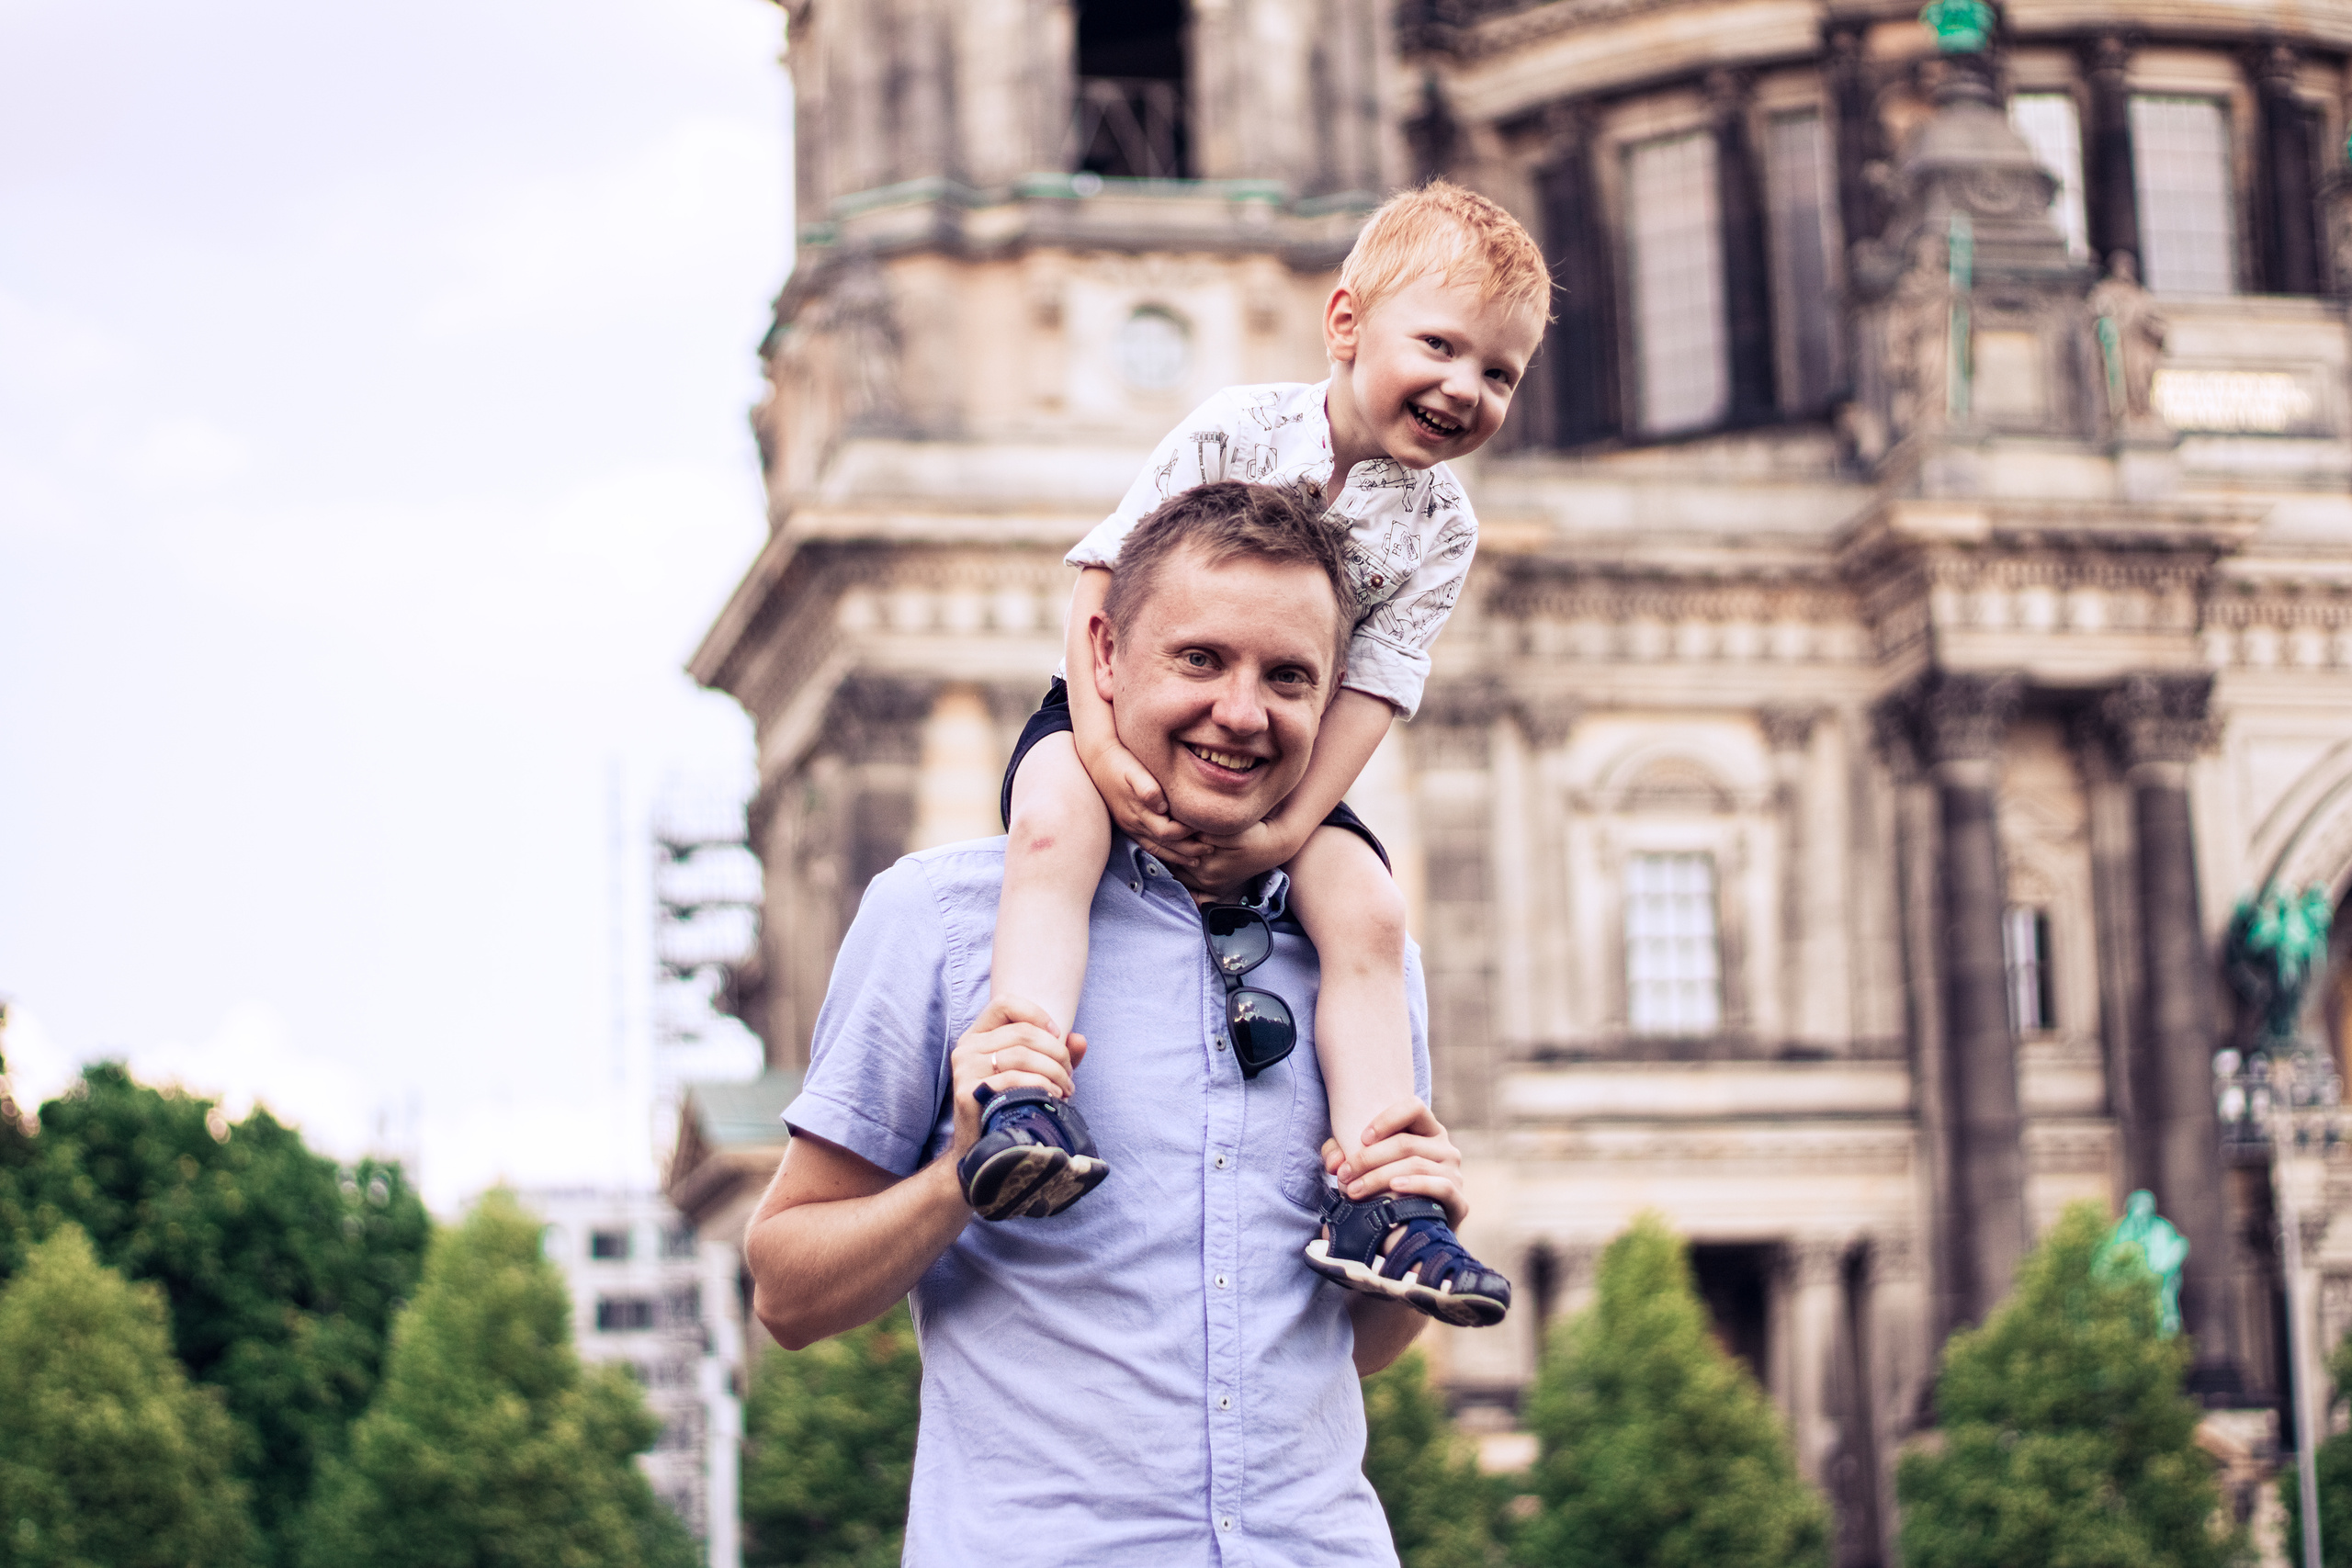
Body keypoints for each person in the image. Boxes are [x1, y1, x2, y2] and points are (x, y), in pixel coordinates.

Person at [746, 482, 1476, 1563]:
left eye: (1288, 678)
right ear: (1103, 658)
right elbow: (788, 1292)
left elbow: (1347, 1351)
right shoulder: (941, 921)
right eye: (1200, 660)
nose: (1243, 711)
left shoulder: (1366, 964)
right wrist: (961, 1173)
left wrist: (1413, 1250)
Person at [983, 180, 1548, 1324]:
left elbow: (1374, 686)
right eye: (1437, 346)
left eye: (1498, 373)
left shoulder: (1447, 527)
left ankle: (1384, 1199)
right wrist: (1094, 735)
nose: (1461, 388)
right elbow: (1101, 577)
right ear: (1345, 325)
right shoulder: (1236, 424)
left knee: (1370, 914)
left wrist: (1288, 832)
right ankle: (1023, 1091)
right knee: (1049, 832)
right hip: (1109, 713)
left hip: (1278, 774)